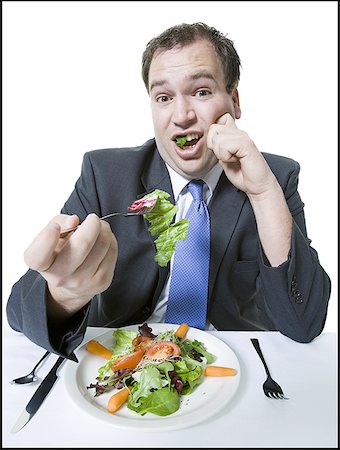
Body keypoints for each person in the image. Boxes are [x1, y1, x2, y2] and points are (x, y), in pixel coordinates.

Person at [6, 22, 331, 360]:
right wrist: (62, 295)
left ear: (234, 101)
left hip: (232, 365)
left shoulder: (275, 177)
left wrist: (263, 194)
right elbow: (18, 312)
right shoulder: (104, 175)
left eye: (201, 92)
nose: (181, 115)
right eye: (163, 97)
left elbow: (304, 323)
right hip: (126, 363)